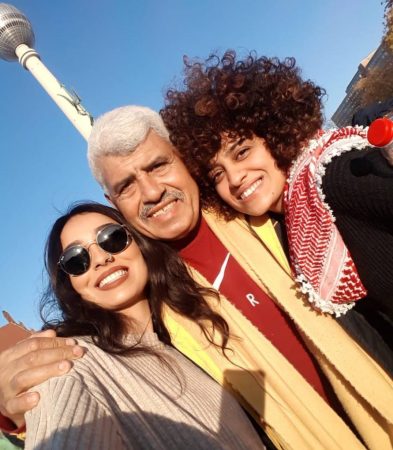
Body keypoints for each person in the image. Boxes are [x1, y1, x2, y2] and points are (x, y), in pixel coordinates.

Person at [1, 105, 393, 450]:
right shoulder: (153, 306)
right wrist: (13, 406)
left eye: (158, 166)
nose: (152, 192)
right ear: (113, 203)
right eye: (127, 186)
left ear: (184, 159)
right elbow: (97, 378)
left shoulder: (269, 209)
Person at [161, 50, 393, 337]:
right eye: (217, 174)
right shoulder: (291, 223)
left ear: (276, 134)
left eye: (242, 152)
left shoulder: (333, 177)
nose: (234, 178)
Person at [23, 201, 265, 450]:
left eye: (112, 238)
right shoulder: (72, 362)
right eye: (76, 259)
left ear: (139, 242)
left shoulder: (192, 329)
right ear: (70, 283)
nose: (101, 259)